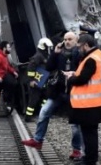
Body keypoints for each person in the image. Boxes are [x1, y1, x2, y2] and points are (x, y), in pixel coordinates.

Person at [22, 32, 84, 161]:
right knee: (44, 112)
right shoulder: (59, 53)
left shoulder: (80, 53)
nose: (67, 41)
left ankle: (77, 149)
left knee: (75, 123)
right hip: (59, 90)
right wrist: (55, 53)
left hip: (73, 92)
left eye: (70, 39)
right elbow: (49, 67)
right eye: (65, 39)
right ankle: (38, 140)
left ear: (76, 40)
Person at [64, 34, 101, 165]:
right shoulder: (100, 56)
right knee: (92, 133)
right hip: (98, 101)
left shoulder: (91, 59)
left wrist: (71, 78)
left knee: (89, 134)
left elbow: (82, 79)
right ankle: (91, 158)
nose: (79, 49)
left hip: (88, 104)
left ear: (86, 45)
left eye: (80, 47)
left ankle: (90, 160)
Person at [24, 38, 52, 122]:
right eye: (48, 47)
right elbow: (30, 68)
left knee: (45, 98)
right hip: (36, 82)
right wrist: (31, 80)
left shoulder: (44, 55)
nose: (49, 49)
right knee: (33, 100)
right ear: (44, 46)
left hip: (42, 82)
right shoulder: (38, 56)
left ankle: (42, 114)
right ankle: (28, 118)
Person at [0, 41, 18, 109]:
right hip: (0, 78)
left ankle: (7, 101)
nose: (10, 49)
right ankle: (6, 101)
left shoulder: (4, 56)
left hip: (3, 76)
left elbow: (7, 66)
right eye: (9, 47)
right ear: (4, 48)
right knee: (10, 84)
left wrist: (13, 72)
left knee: (12, 83)